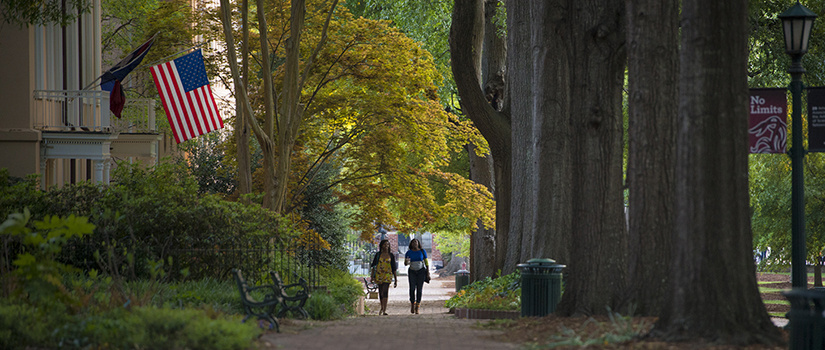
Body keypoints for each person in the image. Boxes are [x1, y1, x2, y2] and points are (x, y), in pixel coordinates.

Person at [370, 239, 397, 315]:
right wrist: (372, 277)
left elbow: (394, 267)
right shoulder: (378, 255)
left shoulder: (391, 255)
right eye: (385, 244)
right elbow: (373, 266)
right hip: (379, 275)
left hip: (387, 275)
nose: (386, 246)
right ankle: (382, 307)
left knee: (385, 291)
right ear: (381, 245)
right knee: (381, 291)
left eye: (388, 245)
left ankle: (384, 309)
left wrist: (395, 279)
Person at [404, 238, 429, 314]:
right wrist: (406, 261)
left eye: (416, 242)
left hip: (421, 271)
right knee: (412, 288)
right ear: (411, 244)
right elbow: (405, 264)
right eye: (413, 242)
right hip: (412, 271)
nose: (415, 243)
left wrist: (427, 272)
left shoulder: (422, 251)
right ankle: (412, 303)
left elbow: (426, 262)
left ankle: (417, 306)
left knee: (419, 288)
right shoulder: (408, 252)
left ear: (418, 243)